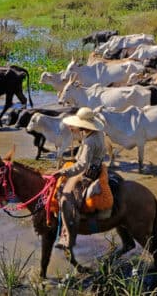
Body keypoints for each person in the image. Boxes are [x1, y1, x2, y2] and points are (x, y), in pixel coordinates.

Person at [53, 107, 111, 251]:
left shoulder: (89, 142)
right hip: (97, 166)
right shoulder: (97, 133)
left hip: (87, 173)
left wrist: (63, 172)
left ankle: (68, 237)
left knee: (65, 198)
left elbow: (82, 165)